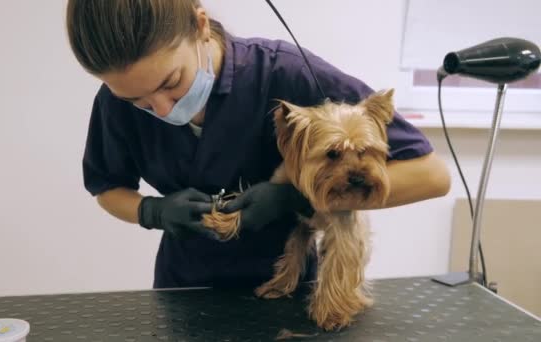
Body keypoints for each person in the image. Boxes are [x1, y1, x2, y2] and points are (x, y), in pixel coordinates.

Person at [65, 0, 451, 289]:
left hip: (290, 286)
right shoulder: (115, 101)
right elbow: (108, 187)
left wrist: (300, 197)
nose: (162, 109)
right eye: (139, 102)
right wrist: (153, 211)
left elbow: (430, 176)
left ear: (200, 26)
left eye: (170, 83)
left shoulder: (285, 74)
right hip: (184, 289)